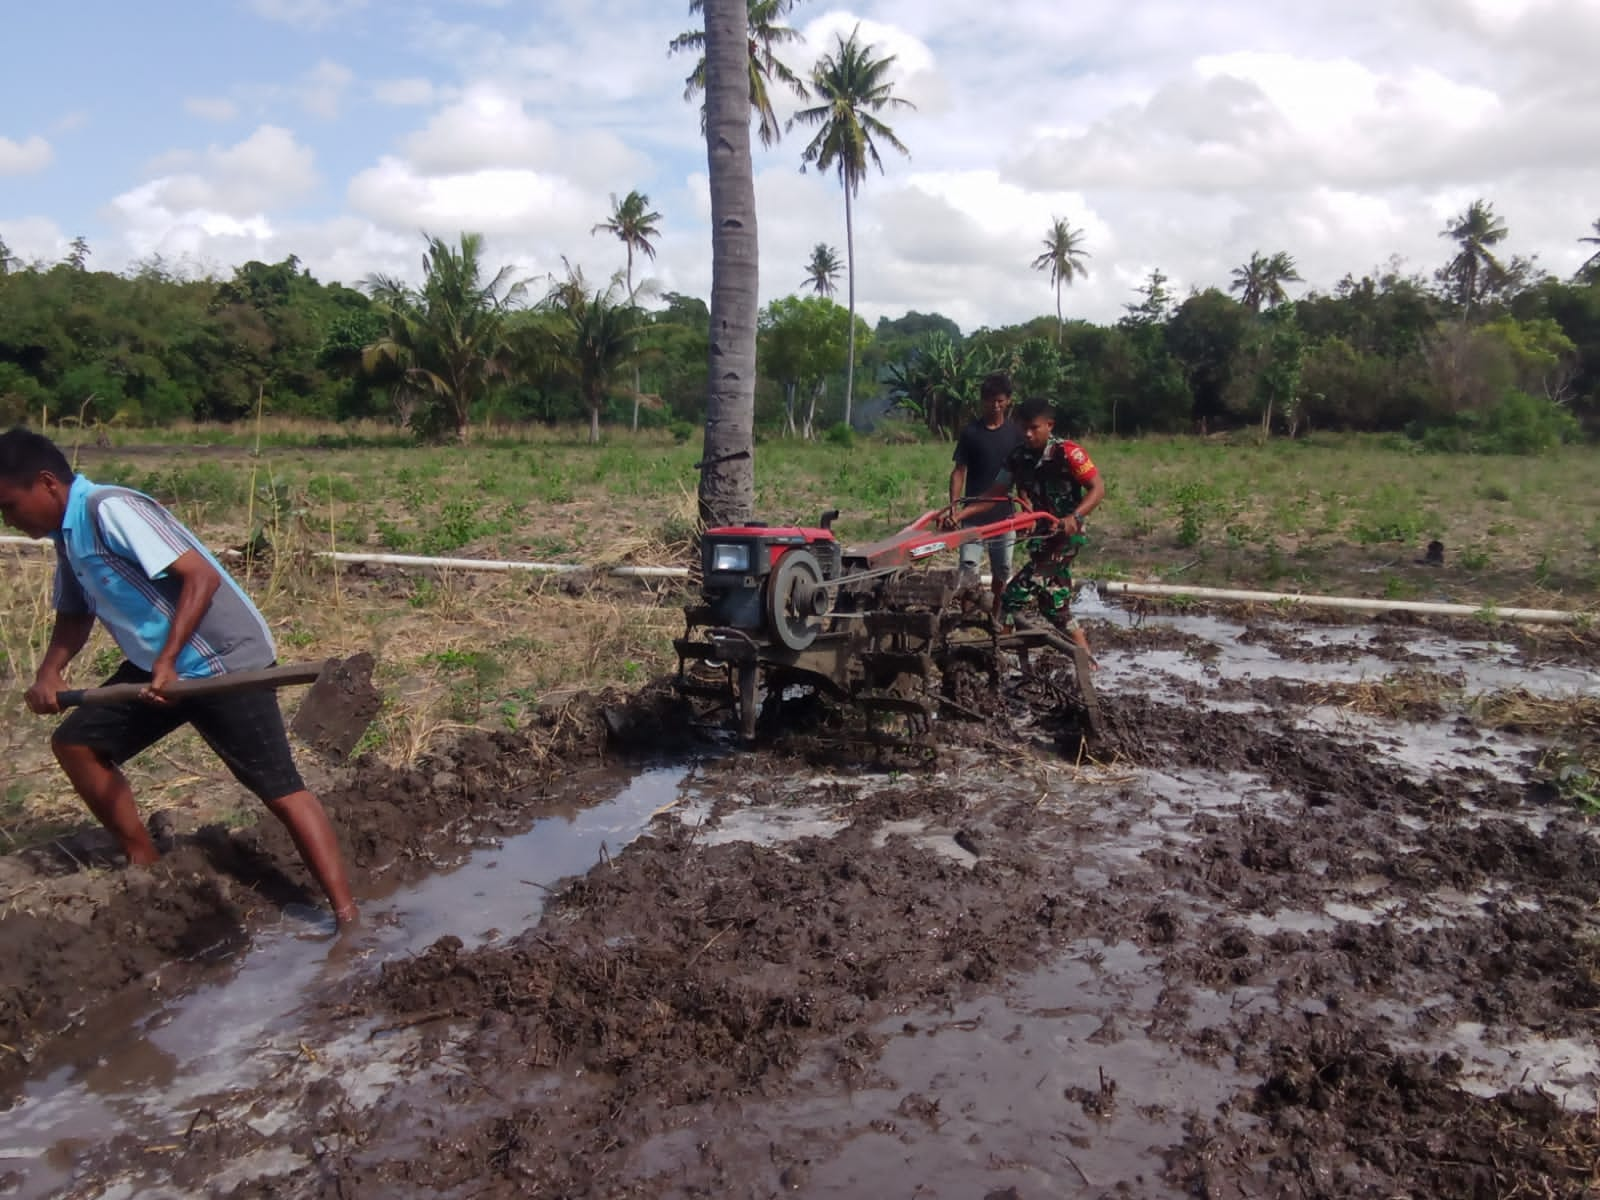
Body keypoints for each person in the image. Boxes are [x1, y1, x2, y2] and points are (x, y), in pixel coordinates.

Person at [0, 429, 358, 928]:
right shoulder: (68, 533)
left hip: (224, 663)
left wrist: (168, 661)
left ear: (46, 484)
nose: (10, 521)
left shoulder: (110, 510)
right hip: (159, 669)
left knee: (277, 787)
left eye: (10, 506)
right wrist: (49, 672)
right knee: (78, 745)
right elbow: (76, 611)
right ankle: (146, 865)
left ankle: (347, 918)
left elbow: (201, 576)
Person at [949, 397, 1106, 662]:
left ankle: (996, 662)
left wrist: (1075, 516)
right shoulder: (1017, 458)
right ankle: (1088, 664)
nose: (1028, 434)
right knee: (1055, 609)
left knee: (1011, 597)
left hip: (1065, 538)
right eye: (1024, 428)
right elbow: (994, 494)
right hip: (1042, 536)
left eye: (1034, 428)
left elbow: (1098, 488)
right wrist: (960, 514)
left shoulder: (1068, 453)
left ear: (1049, 425)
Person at [949, 371, 1024, 609]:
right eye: (991, 400)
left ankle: (996, 614)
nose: (996, 405)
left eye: (1001, 400)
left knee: (1002, 570)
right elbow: (959, 471)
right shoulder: (971, 433)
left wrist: (1025, 507)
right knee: (968, 569)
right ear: (982, 401)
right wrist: (954, 507)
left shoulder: (1015, 434)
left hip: (1004, 515)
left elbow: (1022, 474)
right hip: (972, 516)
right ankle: (967, 615)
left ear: (1008, 400)